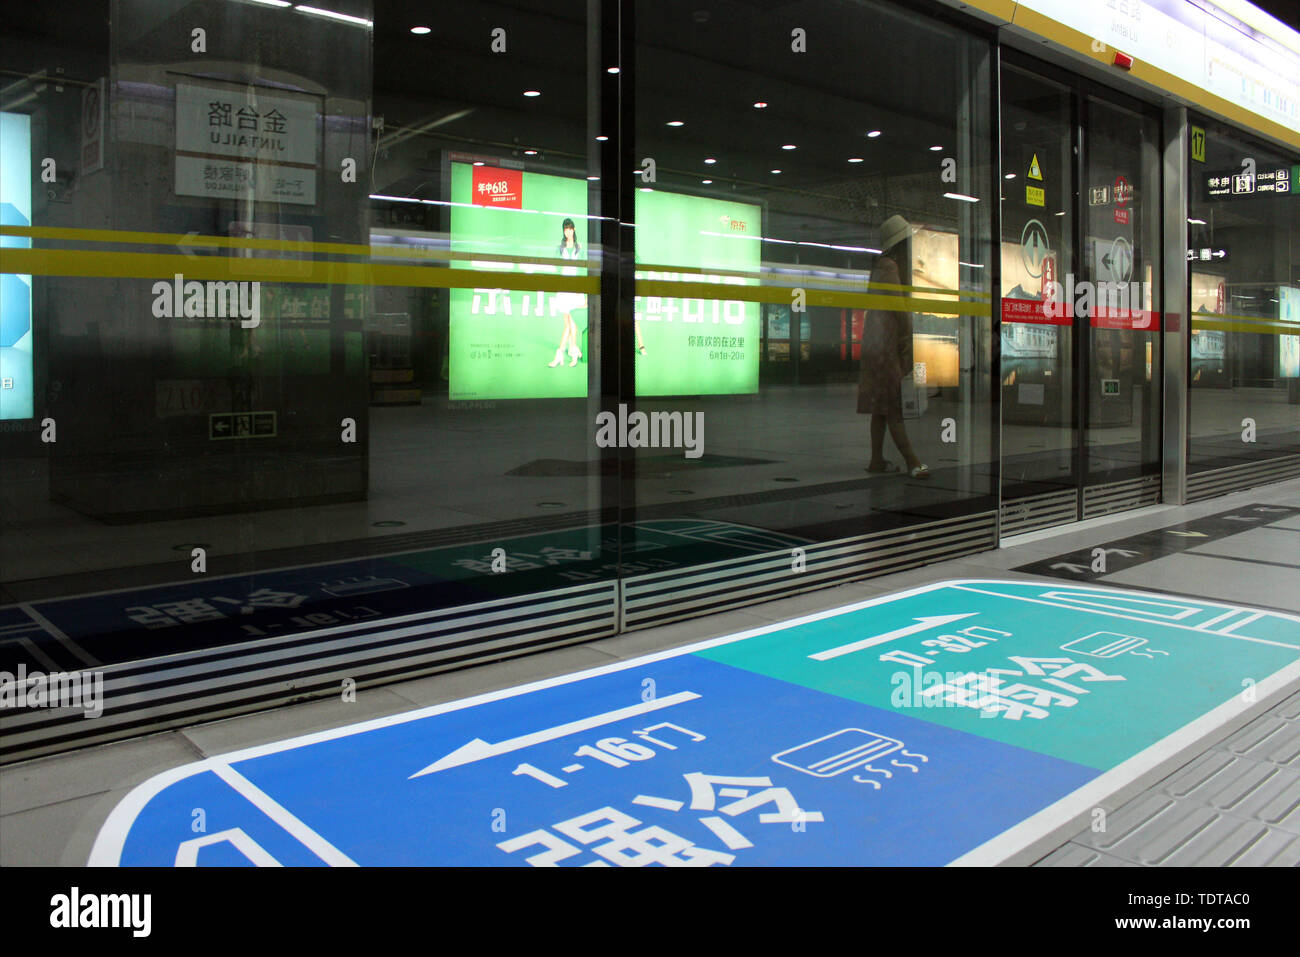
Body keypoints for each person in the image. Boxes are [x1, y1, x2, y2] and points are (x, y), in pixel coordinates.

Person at [857, 214, 930, 479]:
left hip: (876, 345)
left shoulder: (879, 266)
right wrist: (909, 336)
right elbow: (899, 308)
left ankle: (877, 459)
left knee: (880, 407)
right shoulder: (889, 267)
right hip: (886, 347)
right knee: (893, 405)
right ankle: (913, 461)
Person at [548, 218, 586, 367]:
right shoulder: (559, 248)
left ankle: (559, 353)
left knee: (571, 322)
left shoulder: (580, 247)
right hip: (564, 289)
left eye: (570, 229)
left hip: (576, 289)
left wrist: (582, 289)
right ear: (563, 231)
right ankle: (574, 350)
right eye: (565, 229)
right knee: (569, 324)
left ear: (574, 230)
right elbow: (556, 268)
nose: (568, 231)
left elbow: (584, 269)